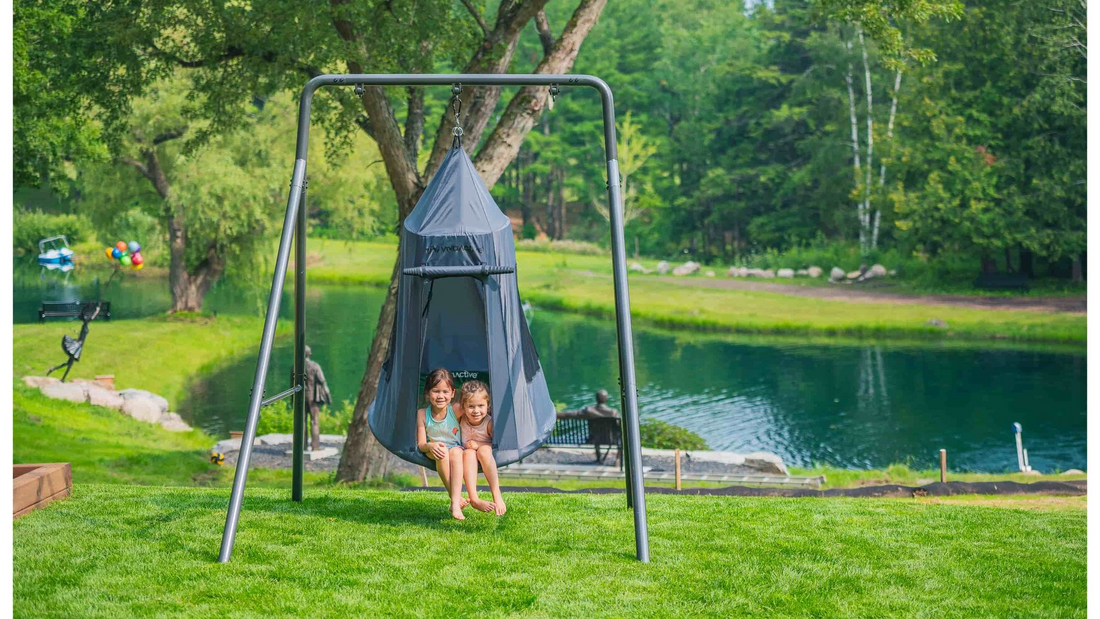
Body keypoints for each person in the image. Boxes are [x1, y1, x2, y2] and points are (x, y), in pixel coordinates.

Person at [416, 368, 468, 520]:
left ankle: (455, 501)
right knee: (442, 451)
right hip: (432, 449)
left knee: (457, 453)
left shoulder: (456, 409)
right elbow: (421, 444)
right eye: (435, 391)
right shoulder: (422, 414)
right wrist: (431, 446)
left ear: (452, 393)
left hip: (455, 449)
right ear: (428, 393)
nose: (440, 396)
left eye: (445, 392)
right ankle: (455, 499)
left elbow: (476, 414)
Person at [458, 380, 507, 516]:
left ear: (488, 405)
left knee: (484, 450)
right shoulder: (460, 419)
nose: (476, 411)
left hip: (486, 456)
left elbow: (498, 444)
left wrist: (479, 445)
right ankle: (474, 498)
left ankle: (496, 494)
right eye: (471, 406)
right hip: (468, 457)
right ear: (463, 406)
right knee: (468, 453)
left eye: (481, 405)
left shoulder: (489, 423)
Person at [303, 346, 332, 452]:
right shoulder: (314, 366)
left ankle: (302, 446)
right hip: (312, 397)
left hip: (300, 397)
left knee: (302, 422)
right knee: (314, 421)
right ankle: (315, 446)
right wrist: (328, 396)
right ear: (309, 354)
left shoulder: (295, 366)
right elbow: (322, 381)